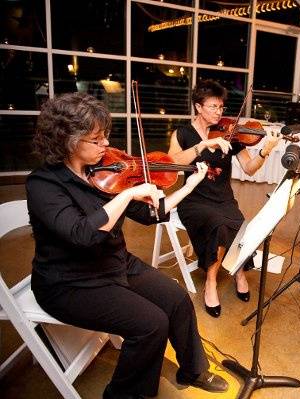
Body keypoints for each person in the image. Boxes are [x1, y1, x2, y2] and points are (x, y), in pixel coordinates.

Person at [27, 93, 229, 398]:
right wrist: (125, 197)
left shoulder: (104, 170)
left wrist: (188, 186)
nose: (106, 145)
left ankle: (193, 369)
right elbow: (82, 234)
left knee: (176, 298)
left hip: (113, 261)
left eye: (105, 136)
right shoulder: (43, 184)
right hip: (70, 281)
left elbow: (151, 215)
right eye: (96, 140)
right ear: (68, 139)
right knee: (151, 324)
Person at [168, 80, 282, 318]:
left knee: (241, 225)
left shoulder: (231, 134)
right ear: (198, 107)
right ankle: (211, 281)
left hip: (223, 198)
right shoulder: (182, 134)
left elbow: (250, 168)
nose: (219, 112)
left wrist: (265, 150)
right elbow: (173, 165)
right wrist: (203, 145)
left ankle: (238, 268)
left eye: (221, 107)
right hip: (194, 198)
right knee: (220, 226)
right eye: (213, 106)